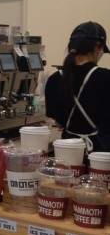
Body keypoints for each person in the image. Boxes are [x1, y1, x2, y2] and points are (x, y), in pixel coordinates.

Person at [45, 21, 110, 152]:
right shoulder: (106, 78)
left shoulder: (53, 80)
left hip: (67, 150)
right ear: (97, 46)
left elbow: (58, 122)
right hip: (100, 155)